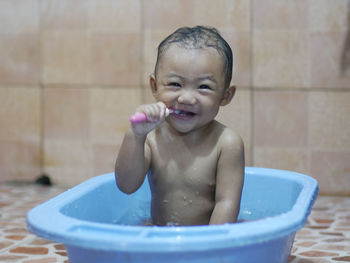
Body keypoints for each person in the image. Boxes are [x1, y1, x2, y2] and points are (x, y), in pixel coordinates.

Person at [115, 26, 244, 226]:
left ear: (225, 96)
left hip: (207, 242)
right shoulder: (152, 138)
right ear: (155, 87)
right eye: (175, 84)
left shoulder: (226, 143)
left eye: (204, 87)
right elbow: (126, 186)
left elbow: (226, 203)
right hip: (161, 240)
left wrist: (210, 249)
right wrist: (135, 135)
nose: (186, 98)